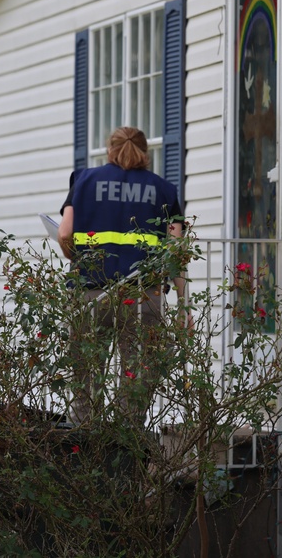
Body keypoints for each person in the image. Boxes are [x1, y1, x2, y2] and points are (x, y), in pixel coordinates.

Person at [58, 127, 187, 425]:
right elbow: (176, 252)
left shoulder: (84, 180)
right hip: (143, 295)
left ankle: (84, 446)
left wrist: (75, 257)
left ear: (109, 150)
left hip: (91, 292)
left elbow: (65, 232)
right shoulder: (165, 189)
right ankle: (125, 440)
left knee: (86, 379)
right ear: (146, 152)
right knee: (138, 375)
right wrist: (183, 306)